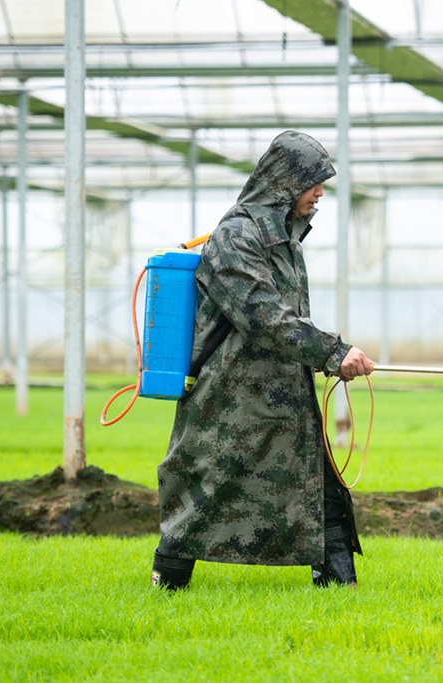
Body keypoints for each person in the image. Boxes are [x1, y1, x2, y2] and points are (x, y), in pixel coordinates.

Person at [151, 131, 373, 591]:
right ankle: (167, 582)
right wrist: (332, 352)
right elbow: (264, 314)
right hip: (231, 398)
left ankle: (338, 586)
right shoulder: (235, 236)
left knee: (318, 483)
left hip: (283, 392)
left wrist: (324, 353)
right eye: (314, 182)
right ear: (285, 182)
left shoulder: (285, 236)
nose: (320, 193)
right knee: (203, 484)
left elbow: (286, 318)